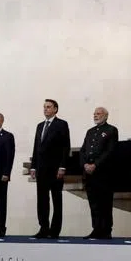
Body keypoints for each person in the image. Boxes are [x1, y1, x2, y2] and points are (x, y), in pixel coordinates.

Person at [29, 98, 71, 239]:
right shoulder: (40, 126)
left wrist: (62, 167)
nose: (45, 109)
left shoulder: (62, 124)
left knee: (56, 199)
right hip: (41, 169)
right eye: (44, 107)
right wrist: (33, 166)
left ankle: (55, 230)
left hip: (55, 169)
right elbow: (36, 147)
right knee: (42, 199)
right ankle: (43, 227)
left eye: (48, 107)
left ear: (55, 109)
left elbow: (66, 147)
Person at [79, 106, 118, 239]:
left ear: (106, 116)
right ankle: (96, 229)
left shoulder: (111, 130)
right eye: (94, 114)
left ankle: (106, 230)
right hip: (90, 174)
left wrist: (95, 165)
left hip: (104, 173)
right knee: (94, 203)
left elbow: (110, 151)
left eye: (99, 114)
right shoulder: (90, 132)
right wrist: (84, 164)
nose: (95, 116)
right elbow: (83, 150)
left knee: (105, 203)